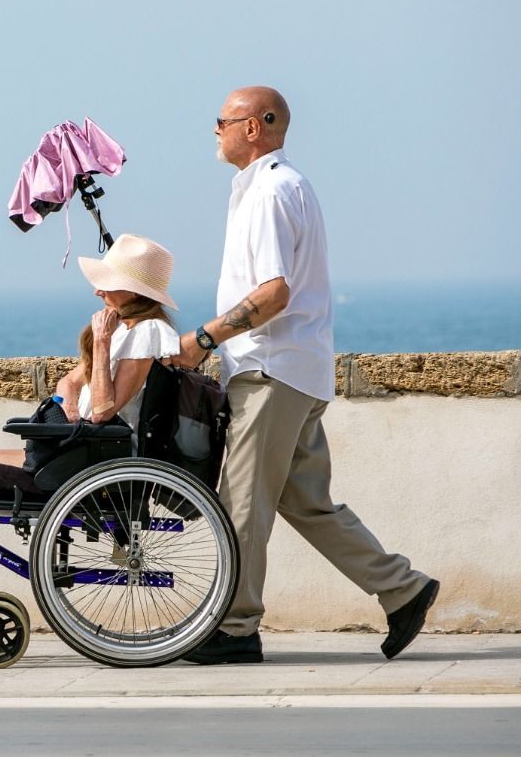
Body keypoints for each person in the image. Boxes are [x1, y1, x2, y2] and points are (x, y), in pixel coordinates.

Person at [170, 86, 439, 664]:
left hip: (270, 371)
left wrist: (202, 339)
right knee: (307, 502)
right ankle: (403, 589)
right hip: (297, 369)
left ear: (255, 126)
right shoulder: (279, 186)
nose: (214, 129)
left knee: (242, 503)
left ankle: (235, 628)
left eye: (223, 120)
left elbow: (274, 293)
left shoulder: (270, 192)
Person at [0, 234, 181, 625]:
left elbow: (104, 410)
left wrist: (102, 342)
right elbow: (69, 381)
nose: (97, 291)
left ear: (133, 289)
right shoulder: (128, 328)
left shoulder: (146, 333)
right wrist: (66, 403)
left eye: (107, 283)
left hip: (95, 458)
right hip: (78, 446)